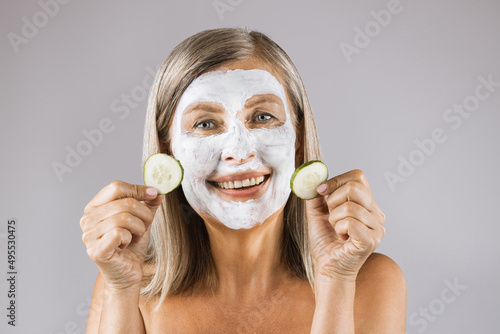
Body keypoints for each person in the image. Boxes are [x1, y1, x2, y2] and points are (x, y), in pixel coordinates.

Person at [80, 27, 406, 333]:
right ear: (168, 148)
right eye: (206, 123)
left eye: (263, 117)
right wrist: (121, 288)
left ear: (298, 138)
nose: (239, 151)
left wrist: (336, 280)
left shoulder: (369, 281)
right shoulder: (130, 286)